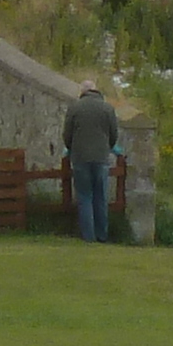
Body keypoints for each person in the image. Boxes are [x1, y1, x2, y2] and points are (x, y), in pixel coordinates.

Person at [62, 84, 119, 243]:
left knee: (85, 196)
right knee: (100, 197)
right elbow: (114, 134)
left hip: (80, 157)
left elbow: (67, 134)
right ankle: (102, 235)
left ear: (83, 92)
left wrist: (71, 148)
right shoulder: (107, 108)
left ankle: (88, 236)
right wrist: (107, 148)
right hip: (101, 158)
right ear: (96, 91)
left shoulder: (74, 108)